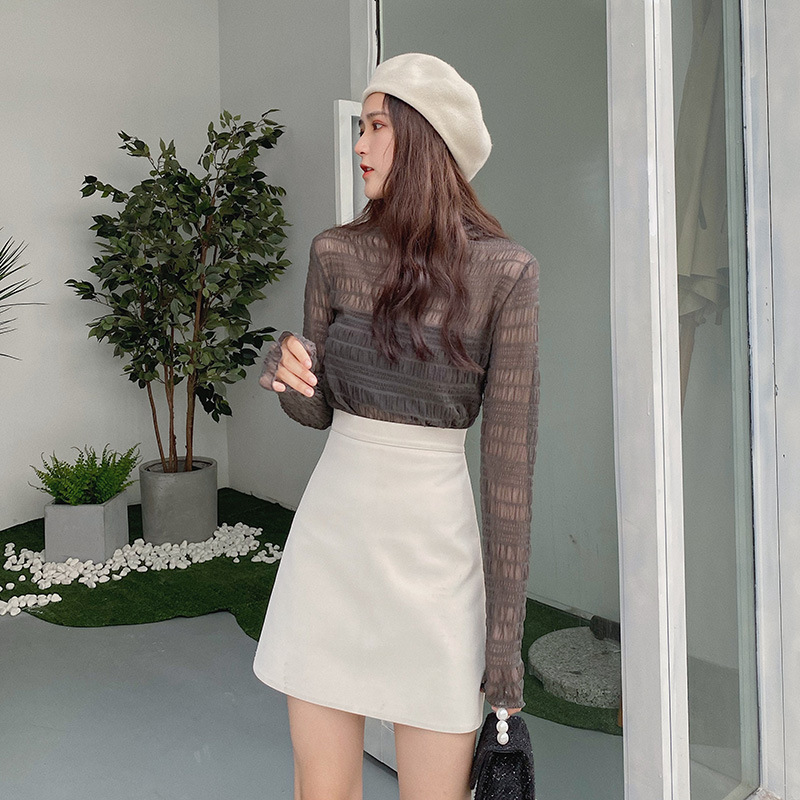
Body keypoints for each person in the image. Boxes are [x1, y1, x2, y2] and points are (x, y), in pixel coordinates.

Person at [253, 52, 539, 800]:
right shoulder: (334, 252)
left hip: (435, 560)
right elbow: (316, 410)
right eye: (362, 126)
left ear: (425, 140)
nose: (360, 144)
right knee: (321, 788)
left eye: (377, 126)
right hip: (331, 547)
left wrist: (503, 658)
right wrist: (287, 370)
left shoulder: (505, 273)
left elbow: (509, 476)